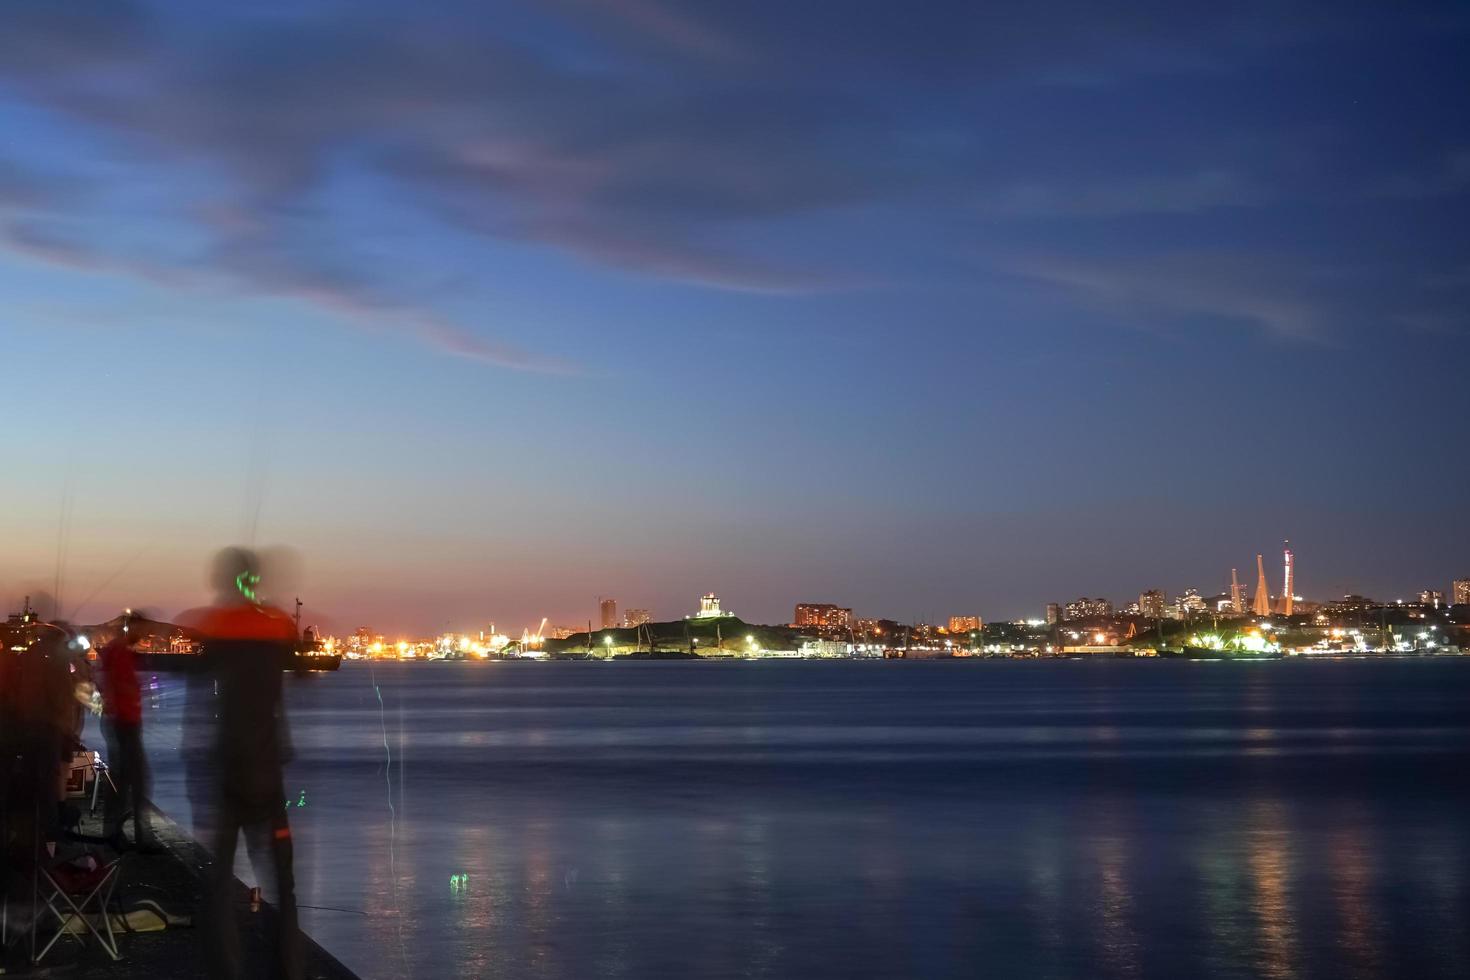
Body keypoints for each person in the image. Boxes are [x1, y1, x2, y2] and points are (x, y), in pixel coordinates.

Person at [178, 547, 303, 980]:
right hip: (269, 777)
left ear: (223, 579)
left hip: (228, 776)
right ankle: (289, 967)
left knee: (218, 883)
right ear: (254, 578)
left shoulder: (216, 627)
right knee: (283, 883)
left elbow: (198, 690)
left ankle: (225, 970)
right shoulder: (277, 624)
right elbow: (299, 670)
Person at [98, 612, 162, 852]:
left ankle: (117, 833)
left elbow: (108, 683)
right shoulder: (121, 652)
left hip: (120, 722)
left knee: (124, 780)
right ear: (132, 627)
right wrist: (138, 691)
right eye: (142, 629)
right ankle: (139, 837)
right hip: (124, 723)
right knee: (137, 780)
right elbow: (117, 685)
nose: (144, 634)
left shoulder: (116, 650)